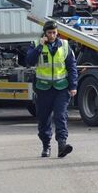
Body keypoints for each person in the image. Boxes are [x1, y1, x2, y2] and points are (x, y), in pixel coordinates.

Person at [25, 21, 78, 158]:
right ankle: (46, 145)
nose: (52, 35)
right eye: (49, 33)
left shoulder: (65, 46)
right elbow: (29, 61)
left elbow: (72, 67)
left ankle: (62, 145)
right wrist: (40, 47)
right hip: (43, 88)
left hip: (61, 87)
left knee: (61, 116)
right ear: (45, 33)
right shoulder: (36, 44)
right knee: (44, 119)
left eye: (54, 32)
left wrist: (73, 86)